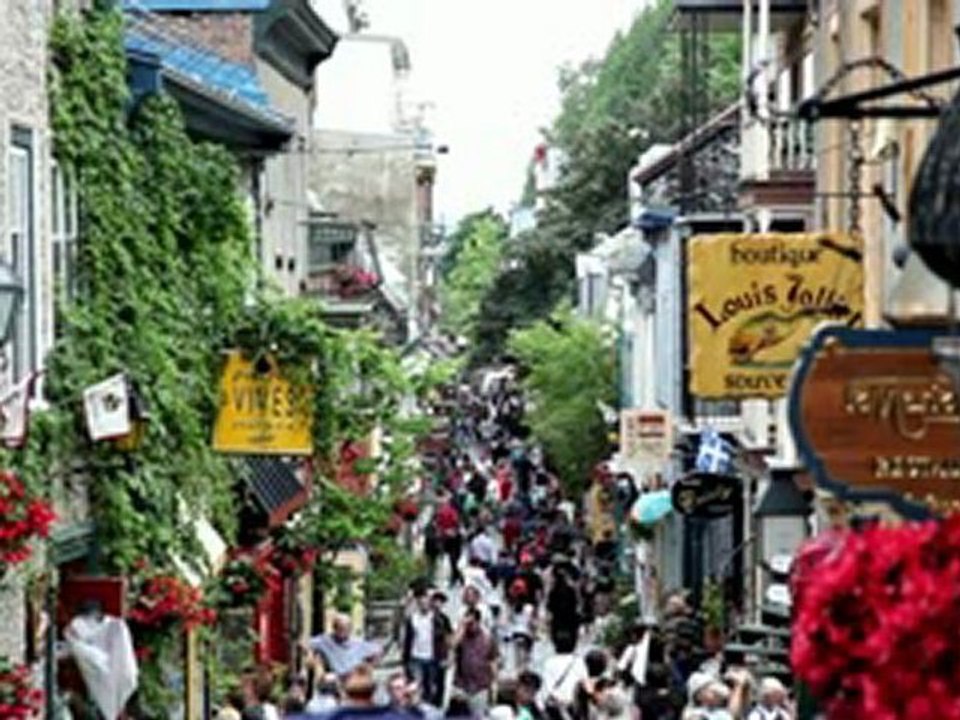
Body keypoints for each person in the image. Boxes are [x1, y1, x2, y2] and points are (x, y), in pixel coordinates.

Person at [402, 587, 450, 707]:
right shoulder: (412, 618)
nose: (424, 605)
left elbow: (447, 638)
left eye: (426, 602)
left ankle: (430, 710)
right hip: (415, 657)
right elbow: (407, 639)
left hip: (433, 658)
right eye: (421, 602)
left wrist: (447, 656)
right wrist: (405, 659)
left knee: (431, 688)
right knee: (416, 687)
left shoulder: (439, 619)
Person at [452, 607, 499, 717]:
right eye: (468, 622)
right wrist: (462, 626)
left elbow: (493, 661)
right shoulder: (461, 636)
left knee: (478, 716)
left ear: (478, 622)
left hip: (480, 687)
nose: (470, 626)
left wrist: (494, 683)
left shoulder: (487, 639)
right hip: (461, 685)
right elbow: (452, 645)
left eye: (472, 622)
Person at [310, 613, 382, 678]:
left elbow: (378, 649)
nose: (342, 632)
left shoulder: (357, 643)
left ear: (350, 629)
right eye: (339, 628)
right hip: (334, 678)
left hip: (354, 678)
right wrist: (313, 658)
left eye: (345, 628)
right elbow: (306, 644)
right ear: (334, 628)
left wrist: (369, 667)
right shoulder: (325, 641)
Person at [538, 629, 588, 715]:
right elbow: (585, 684)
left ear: (555, 646)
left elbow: (545, 687)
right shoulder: (579, 662)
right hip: (572, 708)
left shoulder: (549, 662)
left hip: (554, 708)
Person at [546, 565, 581, 648]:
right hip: (567, 616)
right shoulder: (570, 589)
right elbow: (576, 602)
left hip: (560, 617)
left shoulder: (553, 590)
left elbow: (549, 605)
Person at [437, 492, 464, 586]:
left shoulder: (442, 511)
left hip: (446, 537)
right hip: (454, 537)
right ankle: (458, 577)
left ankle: (457, 577)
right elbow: (456, 522)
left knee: (451, 559)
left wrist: (443, 532)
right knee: (454, 559)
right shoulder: (453, 511)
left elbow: (439, 524)